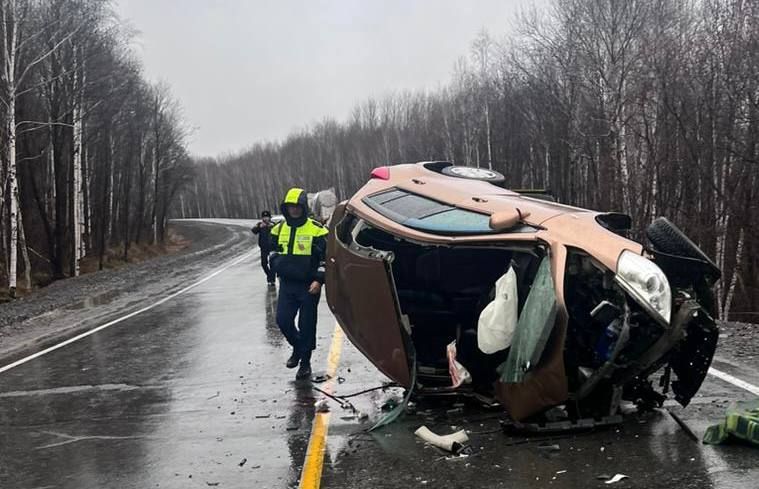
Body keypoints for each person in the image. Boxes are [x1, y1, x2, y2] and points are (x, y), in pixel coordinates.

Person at [269, 188, 328, 380]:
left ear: (303, 207)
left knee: (307, 325)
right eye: (290, 207)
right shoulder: (278, 229)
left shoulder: (317, 230)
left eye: (297, 207)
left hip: (309, 287)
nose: (294, 210)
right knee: (283, 320)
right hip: (287, 284)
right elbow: (271, 253)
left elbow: (325, 260)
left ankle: (305, 363)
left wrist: (319, 280)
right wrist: (278, 264)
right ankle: (298, 347)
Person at [251, 210, 276, 286]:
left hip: (272, 248)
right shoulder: (260, 225)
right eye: (264, 217)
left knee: (273, 264)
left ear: (269, 217)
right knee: (264, 263)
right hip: (263, 247)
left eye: (267, 217)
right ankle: (270, 276)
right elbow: (253, 231)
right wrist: (259, 226)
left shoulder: (273, 225)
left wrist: (271, 226)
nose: (265, 219)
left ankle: (271, 279)